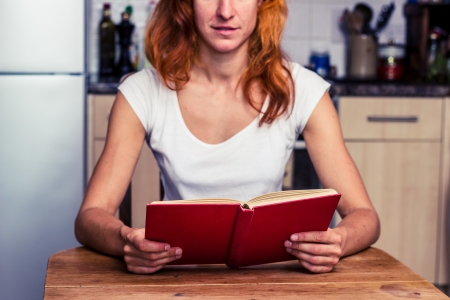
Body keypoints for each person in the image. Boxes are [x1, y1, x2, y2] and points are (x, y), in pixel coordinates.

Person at [75, 0, 380, 275]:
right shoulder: (142, 92)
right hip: (177, 281)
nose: (225, 10)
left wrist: (337, 241)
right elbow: (90, 217)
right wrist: (126, 241)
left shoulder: (302, 89)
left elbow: (364, 215)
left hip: (272, 280)